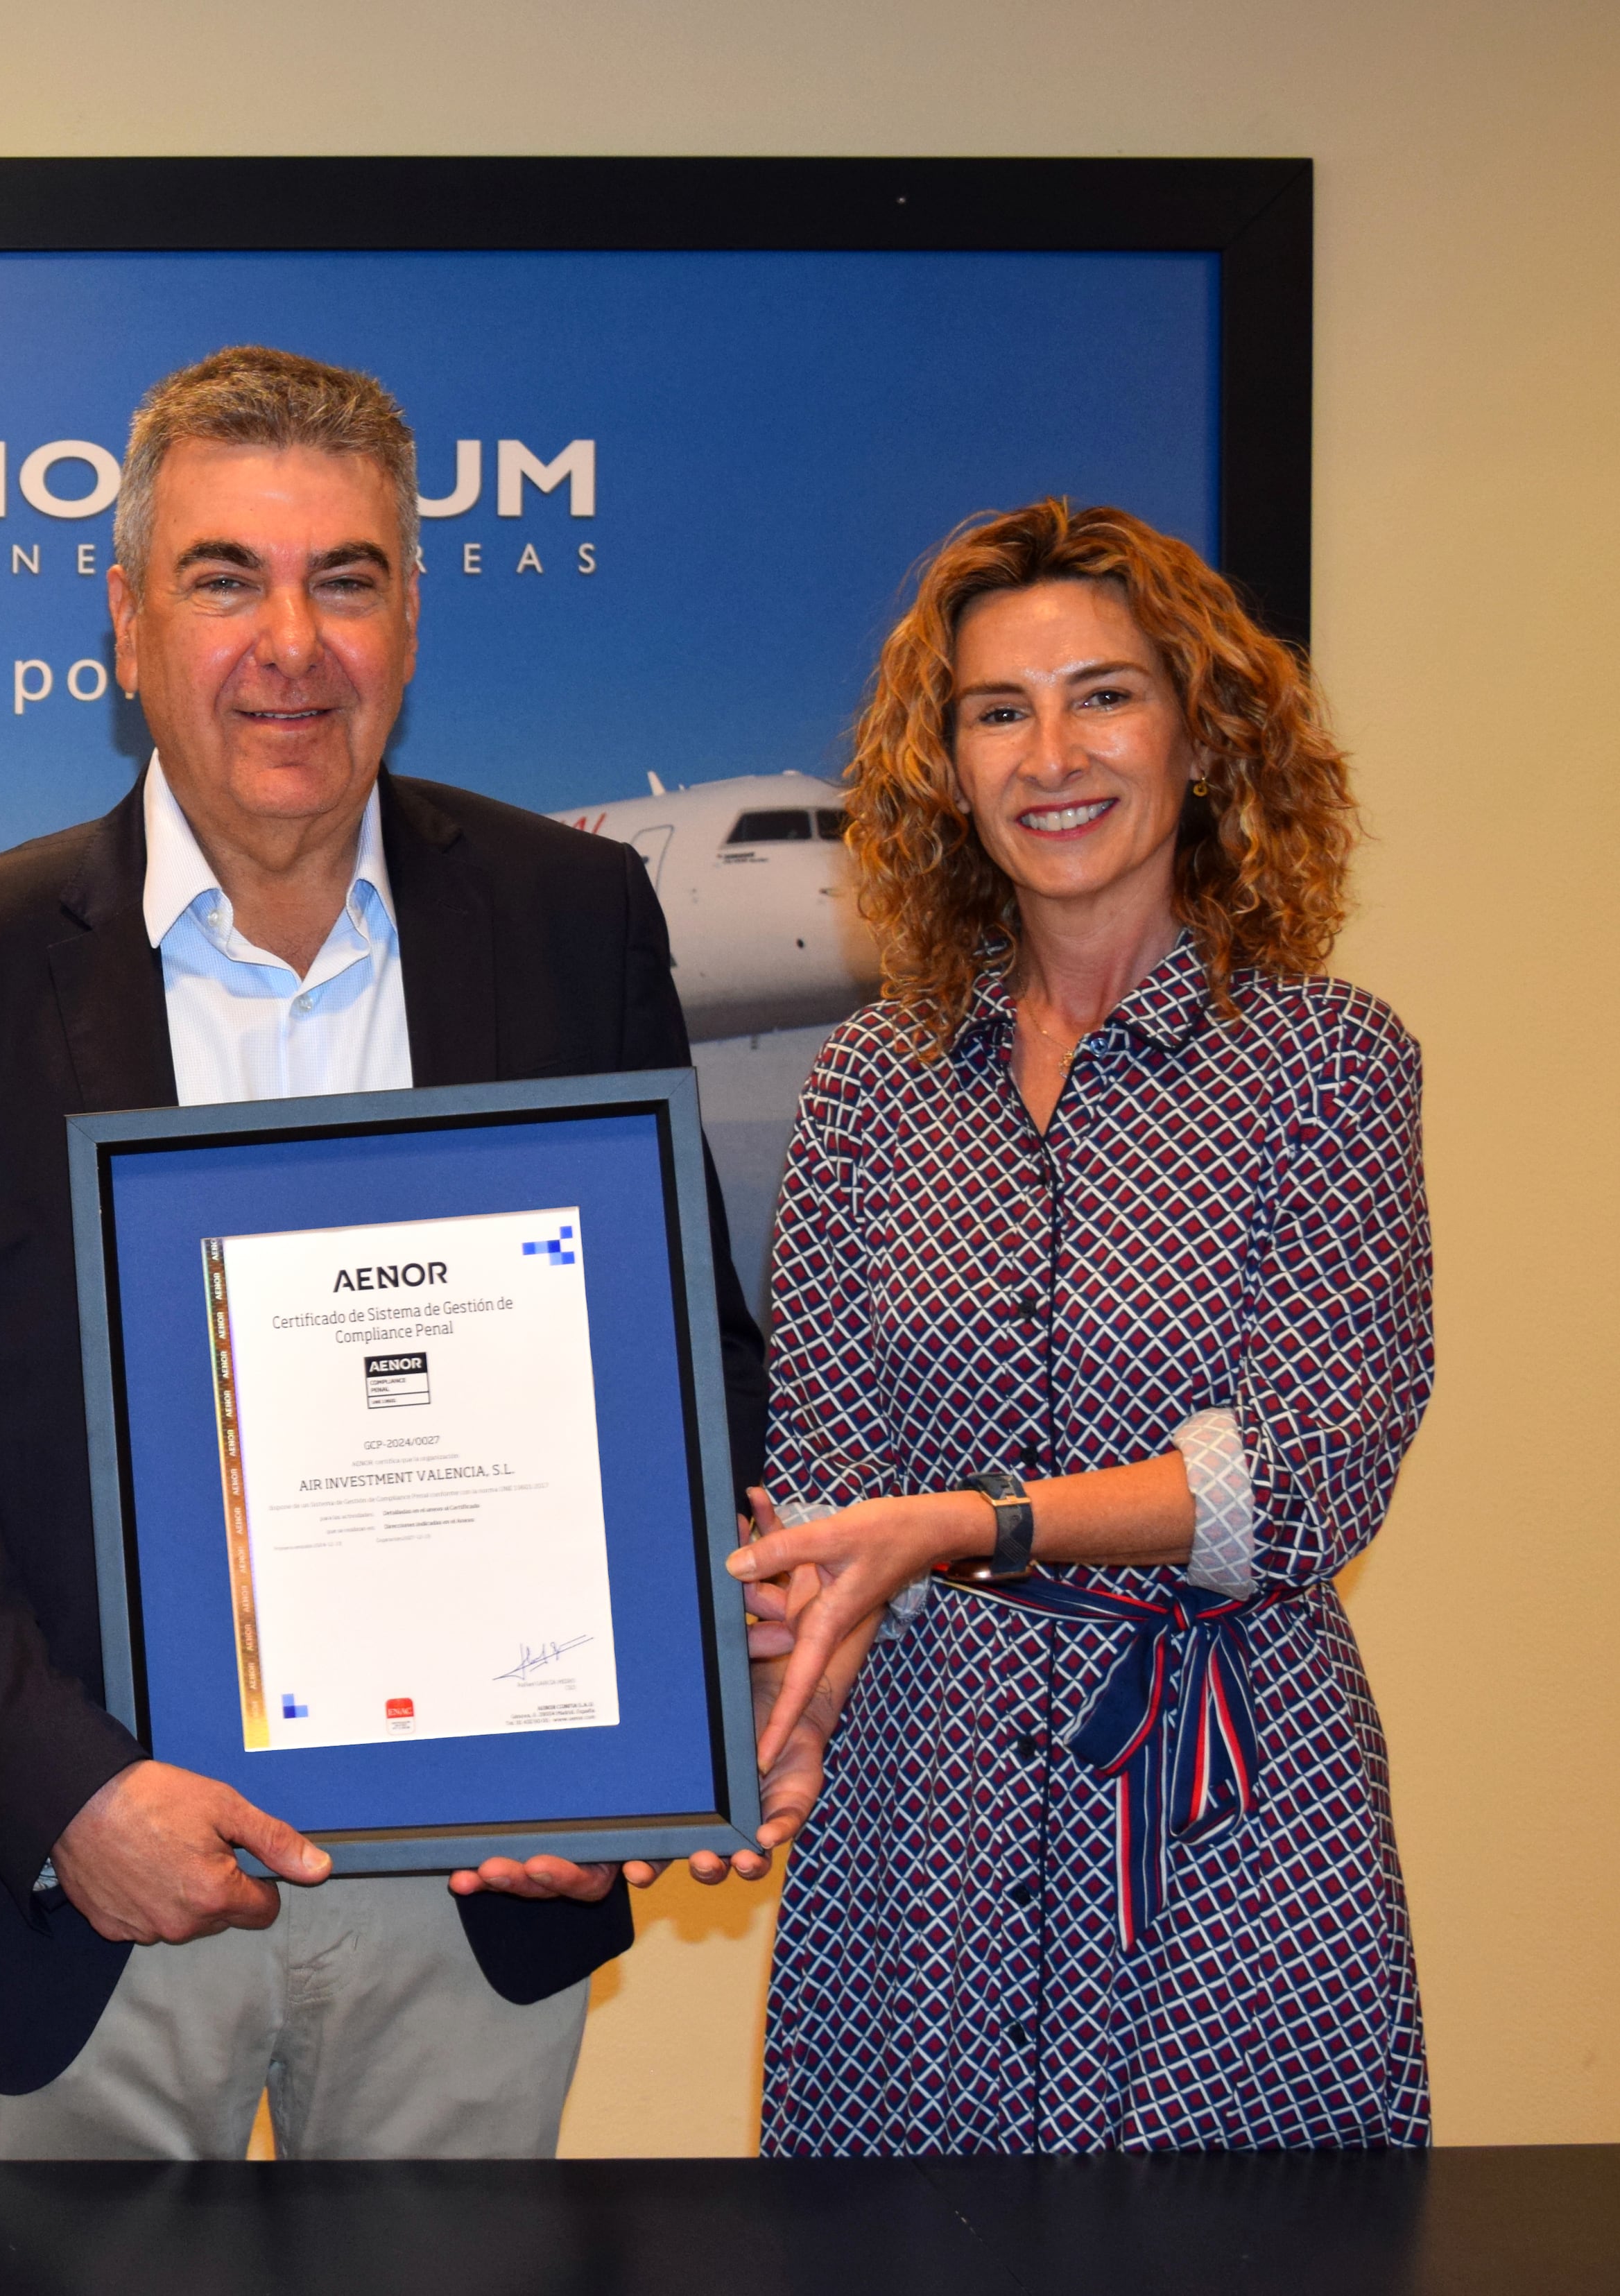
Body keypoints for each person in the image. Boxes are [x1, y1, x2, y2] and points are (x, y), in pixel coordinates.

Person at [0, 346, 772, 2161]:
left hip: (480, 1882)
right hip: (92, 1887)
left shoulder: (575, 923)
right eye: (225, 577)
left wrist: (633, 1742)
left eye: (348, 579)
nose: (289, 645)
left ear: (409, 612)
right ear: (128, 623)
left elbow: (690, 1369)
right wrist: (68, 1792)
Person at [723, 499, 1433, 2151]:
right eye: (996, 711)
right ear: (945, 768)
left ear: (1204, 731)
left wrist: (972, 1522)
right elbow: (826, 1493)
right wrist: (769, 1729)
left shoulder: (1327, 1064)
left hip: (1235, 1810)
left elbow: (1310, 1472)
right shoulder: (864, 1090)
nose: (1052, 753)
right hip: (920, 1821)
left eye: (1103, 694)